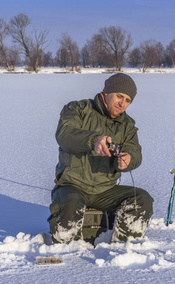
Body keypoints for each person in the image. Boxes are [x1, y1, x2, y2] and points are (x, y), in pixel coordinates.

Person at [49, 73, 154, 244]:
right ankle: (69, 259)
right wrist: (93, 140)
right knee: (70, 205)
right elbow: (64, 134)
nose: (122, 103)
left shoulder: (127, 126)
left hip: (105, 190)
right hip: (72, 185)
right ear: (106, 92)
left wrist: (129, 160)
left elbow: (135, 152)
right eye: (119, 96)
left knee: (142, 199)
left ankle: (123, 249)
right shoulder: (77, 109)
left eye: (128, 100)